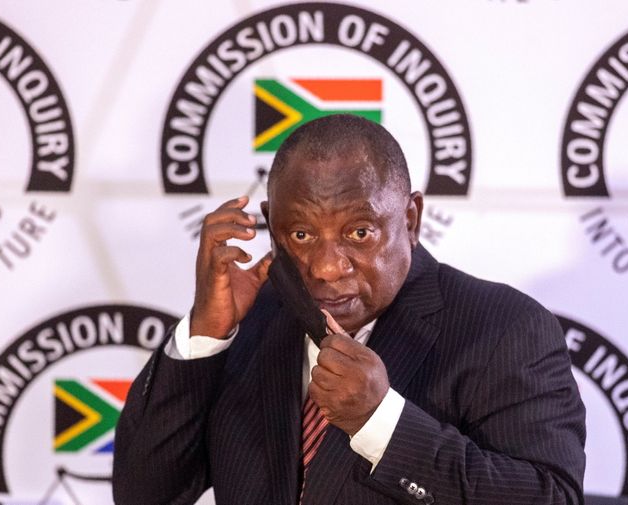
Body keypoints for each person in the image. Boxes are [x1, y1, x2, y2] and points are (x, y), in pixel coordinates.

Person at [113, 114, 586, 505]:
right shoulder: (252, 321)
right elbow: (143, 495)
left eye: (360, 232)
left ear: (410, 219)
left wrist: (381, 422)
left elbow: (552, 498)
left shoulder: (503, 327)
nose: (326, 268)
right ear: (272, 227)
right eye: (300, 235)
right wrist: (207, 334)